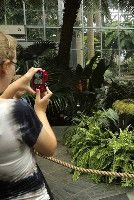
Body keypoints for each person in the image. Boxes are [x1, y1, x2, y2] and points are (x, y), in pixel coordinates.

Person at [0, 32, 57, 199]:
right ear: (5, 66)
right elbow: (49, 148)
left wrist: (9, 91)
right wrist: (40, 111)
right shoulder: (17, 111)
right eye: (15, 64)